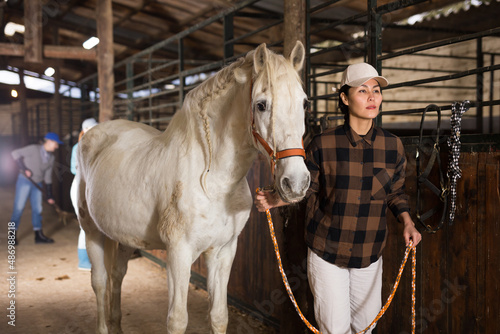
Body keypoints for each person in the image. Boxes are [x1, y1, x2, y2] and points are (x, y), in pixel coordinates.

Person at [255, 62, 422, 334]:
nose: (372, 97)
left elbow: (395, 192)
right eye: (363, 90)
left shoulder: (393, 145)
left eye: (377, 90)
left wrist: (407, 222)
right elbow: (307, 188)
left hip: (369, 255)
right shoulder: (323, 144)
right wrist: (275, 200)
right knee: (334, 330)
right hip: (327, 254)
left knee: (366, 329)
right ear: (345, 98)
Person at [10, 132, 64, 245]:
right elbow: (15, 153)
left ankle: (38, 235)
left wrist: (49, 194)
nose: (57, 146)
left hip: (38, 184)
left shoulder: (51, 158)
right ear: (49, 142)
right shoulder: (34, 149)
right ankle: (12, 236)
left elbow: (48, 176)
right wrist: (24, 168)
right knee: (18, 208)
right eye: (56, 144)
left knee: (38, 209)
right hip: (25, 180)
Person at [71, 117, 98, 271]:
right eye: (91, 128)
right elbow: (74, 169)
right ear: (85, 130)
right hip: (80, 186)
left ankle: (93, 257)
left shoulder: (96, 146)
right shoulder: (78, 147)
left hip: (93, 187)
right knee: (85, 224)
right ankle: (83, 261)